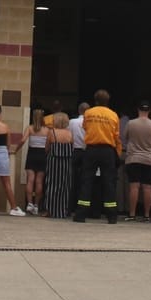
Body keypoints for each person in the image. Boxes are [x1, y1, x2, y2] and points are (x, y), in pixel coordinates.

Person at [76, 89, 121, 224]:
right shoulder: (113, 115)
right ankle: (112, 216)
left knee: (87, 181)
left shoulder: (88, 113)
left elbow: (85, 127)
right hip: (108, 150)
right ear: (108, 101)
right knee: (109, 182)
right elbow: (116, 135)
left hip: (92, 149)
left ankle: (81, 214)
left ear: (95, 100)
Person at [120, 102, 151, 222]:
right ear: (149, 111)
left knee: (134, 187)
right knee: (147, 187)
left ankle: (132, 214)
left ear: (138, 110)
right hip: (148, 159)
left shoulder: (131, 123)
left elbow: (125, 137)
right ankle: (147, 215)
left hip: (133, 158)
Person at [44, 111, 75, 219]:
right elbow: (72, 146)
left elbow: (47, 148)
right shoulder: (69, 133)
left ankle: (50, 210)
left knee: (52, 185)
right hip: (66, 163)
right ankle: (63, 210)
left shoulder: (51, 132)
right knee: (64, 186)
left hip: (54, 162)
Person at [23, 109, 49, 215]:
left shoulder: (29, 128)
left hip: (32, 154)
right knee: (39, 181)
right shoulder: (47, 130)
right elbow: (48, 145)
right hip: (42, 155)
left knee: (30, 180)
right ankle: (37, 205)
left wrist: (16, 149)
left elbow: (23, 140)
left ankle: (29, 203)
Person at [68, 101, 89, 207]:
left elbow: (68, 136)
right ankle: (82, 205)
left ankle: (70, 205)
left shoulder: (72, 122)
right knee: (85, 179)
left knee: (72, 179)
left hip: (74, 151)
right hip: (86, 152)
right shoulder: (90, 122)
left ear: (78, 110)